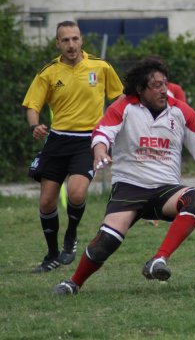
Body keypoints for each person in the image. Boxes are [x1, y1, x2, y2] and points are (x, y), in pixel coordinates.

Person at [52, 58, 195, 295]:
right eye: (156, 85)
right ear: (140, 89)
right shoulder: (124, 106)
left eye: (165, 84)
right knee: (106, 242)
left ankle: (158, 260)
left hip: (165, 190)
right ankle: (73, 283)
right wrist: (99, 149)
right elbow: (103, 132)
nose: (163, 90)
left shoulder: (180, 110)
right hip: (129, 187)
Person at [23, 20, 124, 274]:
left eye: (75, 39)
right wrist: (35, 125)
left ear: (81, 41)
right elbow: (33, 105)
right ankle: (52, 255)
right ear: (58, 43)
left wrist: (117, 123)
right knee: (47, 202)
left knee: (77, 194)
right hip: (57, 141)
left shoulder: (100, 67)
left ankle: (71, 235)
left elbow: (120, 98)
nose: (71, 45)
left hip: (88, 141)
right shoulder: (48, 72)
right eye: (65, 40)